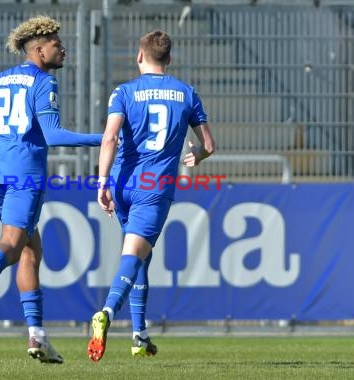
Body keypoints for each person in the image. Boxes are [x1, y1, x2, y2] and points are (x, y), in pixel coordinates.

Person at [0, 15, 102, 364]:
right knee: (14, 245)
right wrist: (105, 138)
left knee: (31, 248)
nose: (63, 48)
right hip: (24, 175)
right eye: (57, 44)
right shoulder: (43, 82)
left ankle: (38, 336)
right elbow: (53, 135)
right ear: (38, 48)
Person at [87, 29, 215, 362]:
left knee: (141, 255)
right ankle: (106, 313)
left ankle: (139, 335)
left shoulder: (124, 92)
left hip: (122, 183)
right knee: (133, 255)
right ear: (169, 59)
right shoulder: (187, 93)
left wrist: (102, 182)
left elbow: (110, 138)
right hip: (153, 188)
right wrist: (196, 156)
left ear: (139, 56)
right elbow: (210, 145)